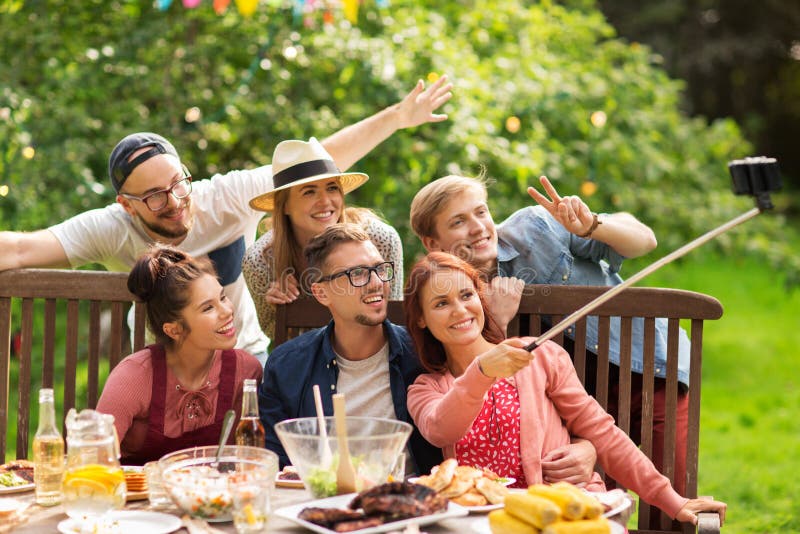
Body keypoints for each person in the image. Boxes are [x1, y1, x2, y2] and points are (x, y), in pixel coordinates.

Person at [0, 75, 453, 364]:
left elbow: (316, 166)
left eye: (179, 183)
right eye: (155, 197)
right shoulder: (107, 229)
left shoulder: (225, 195)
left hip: (244, 361)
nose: (176, 202)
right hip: (163, 364)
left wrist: (397, 117)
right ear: (127, 204)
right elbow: (20, 249)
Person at [409, 173, 691, 495]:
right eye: (458, 222)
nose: (478, 227)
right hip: (577, 406)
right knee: (598, 498)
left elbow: (645, 240)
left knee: (670, 511)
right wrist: (498, 325)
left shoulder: (534, 229)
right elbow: (505, 387)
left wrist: (592, 226)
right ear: (432, 243)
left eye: (481, 212)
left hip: (645, 368)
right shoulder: (456, 299)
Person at [404, 252, 726, 526]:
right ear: (420, 319)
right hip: (491, 524)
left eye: (466, 295)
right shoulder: (425, 389)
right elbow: (441, 429)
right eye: (441, 303)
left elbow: (602, 432)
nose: (460, 310)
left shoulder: (538, 356)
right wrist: (483, 371)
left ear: (480, 297)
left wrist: (671, 499)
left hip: (565, 514)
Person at [258, 223, 442, 475]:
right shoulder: (287, 366)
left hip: (413, 503)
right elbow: (274, 463)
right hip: (326, 503)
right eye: (357, 274)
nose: (376, 282)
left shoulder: (423, 352)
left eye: (379, 269)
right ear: (322, 293)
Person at [96, 245, 262, 465]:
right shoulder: (133, 378)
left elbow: (248, 460)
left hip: (213, 496)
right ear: (173, 329)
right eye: (207, 308)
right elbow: (93, 460)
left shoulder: (246, 372)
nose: (227, 311)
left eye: (222, 298)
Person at [242, 137, 403, 341]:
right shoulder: (261, 260)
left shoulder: (380, 240)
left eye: (332, 188)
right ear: (284, 206)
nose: (325, 202)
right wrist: (278, 309)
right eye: (309, 192)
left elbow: (395, 320)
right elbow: (277, 337)